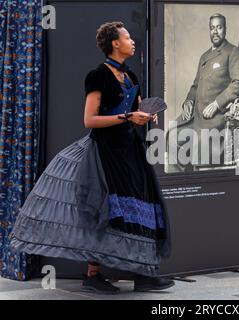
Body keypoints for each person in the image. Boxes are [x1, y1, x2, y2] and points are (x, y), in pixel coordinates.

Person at [10, 21, 173, 294]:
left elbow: (137, 108)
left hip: (129, 150)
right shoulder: (97, 75)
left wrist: (146, 115)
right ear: (115, 44)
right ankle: (93, 275)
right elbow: (89, 120)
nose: (132, 41)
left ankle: (142, 272)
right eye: (127, 37)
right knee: (102, 209)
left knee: (138, 209)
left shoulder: (131, 76)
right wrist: (126, 117)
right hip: (104, 152)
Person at [168, 13, 239, 171]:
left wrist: (217, 104)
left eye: (219, 27)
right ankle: (179, 184)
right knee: (171, 138)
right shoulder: (204, 56)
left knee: (201, 154)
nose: (215, 31)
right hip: (195, 115)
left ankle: (198, 186)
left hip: (215, 118)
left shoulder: (233, 52)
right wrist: (188, 101)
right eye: (212, 28)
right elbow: (195, 85)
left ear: (225, 29)